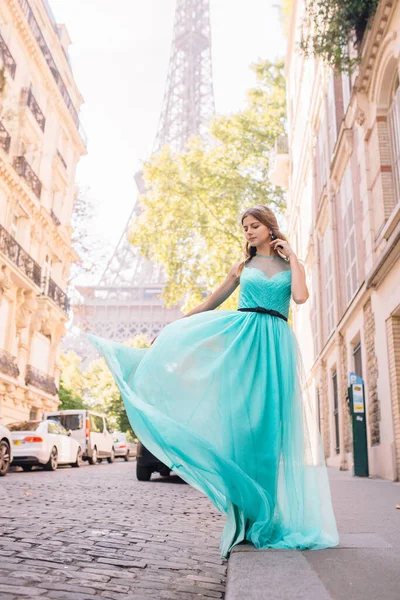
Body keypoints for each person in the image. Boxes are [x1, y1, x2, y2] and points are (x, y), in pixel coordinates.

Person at [89, 204, 339, 558]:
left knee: (270, 434)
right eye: (245, 228)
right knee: (242, 429)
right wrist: (173, 327)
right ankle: (245, 518)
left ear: (270, 228)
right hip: (243, 343)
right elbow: (211, 303)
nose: (249, 232)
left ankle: (265, 516)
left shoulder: (289, 265)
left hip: (277, 345)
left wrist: (294, 257)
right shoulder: (243, 267)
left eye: (254, 226)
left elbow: (300, 297)